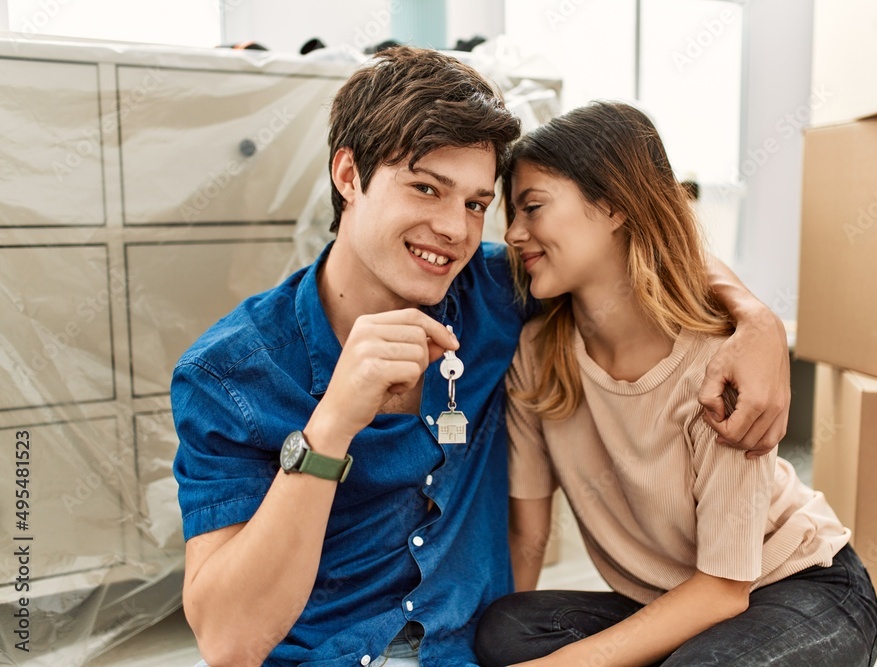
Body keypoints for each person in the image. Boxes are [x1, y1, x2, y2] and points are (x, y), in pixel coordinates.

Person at [172, 48, 791, 667]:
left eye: (474, 203)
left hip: (467, 652)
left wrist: (754, 319)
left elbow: (631, 247)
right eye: (425, 188)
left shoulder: (495, 293)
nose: (455, 229)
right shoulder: (228, 375)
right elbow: (228, 643)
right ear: (348, 175)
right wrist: (330, 426)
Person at [474, 101, 877, 667]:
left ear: (614, 204)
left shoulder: (719, 363)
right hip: (677, 598)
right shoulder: (538, 355)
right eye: (510, 216)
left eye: (533, 208)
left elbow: (724, 588)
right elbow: (527, 536)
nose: (514, 234)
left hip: (799, 587)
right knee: (504, 628)